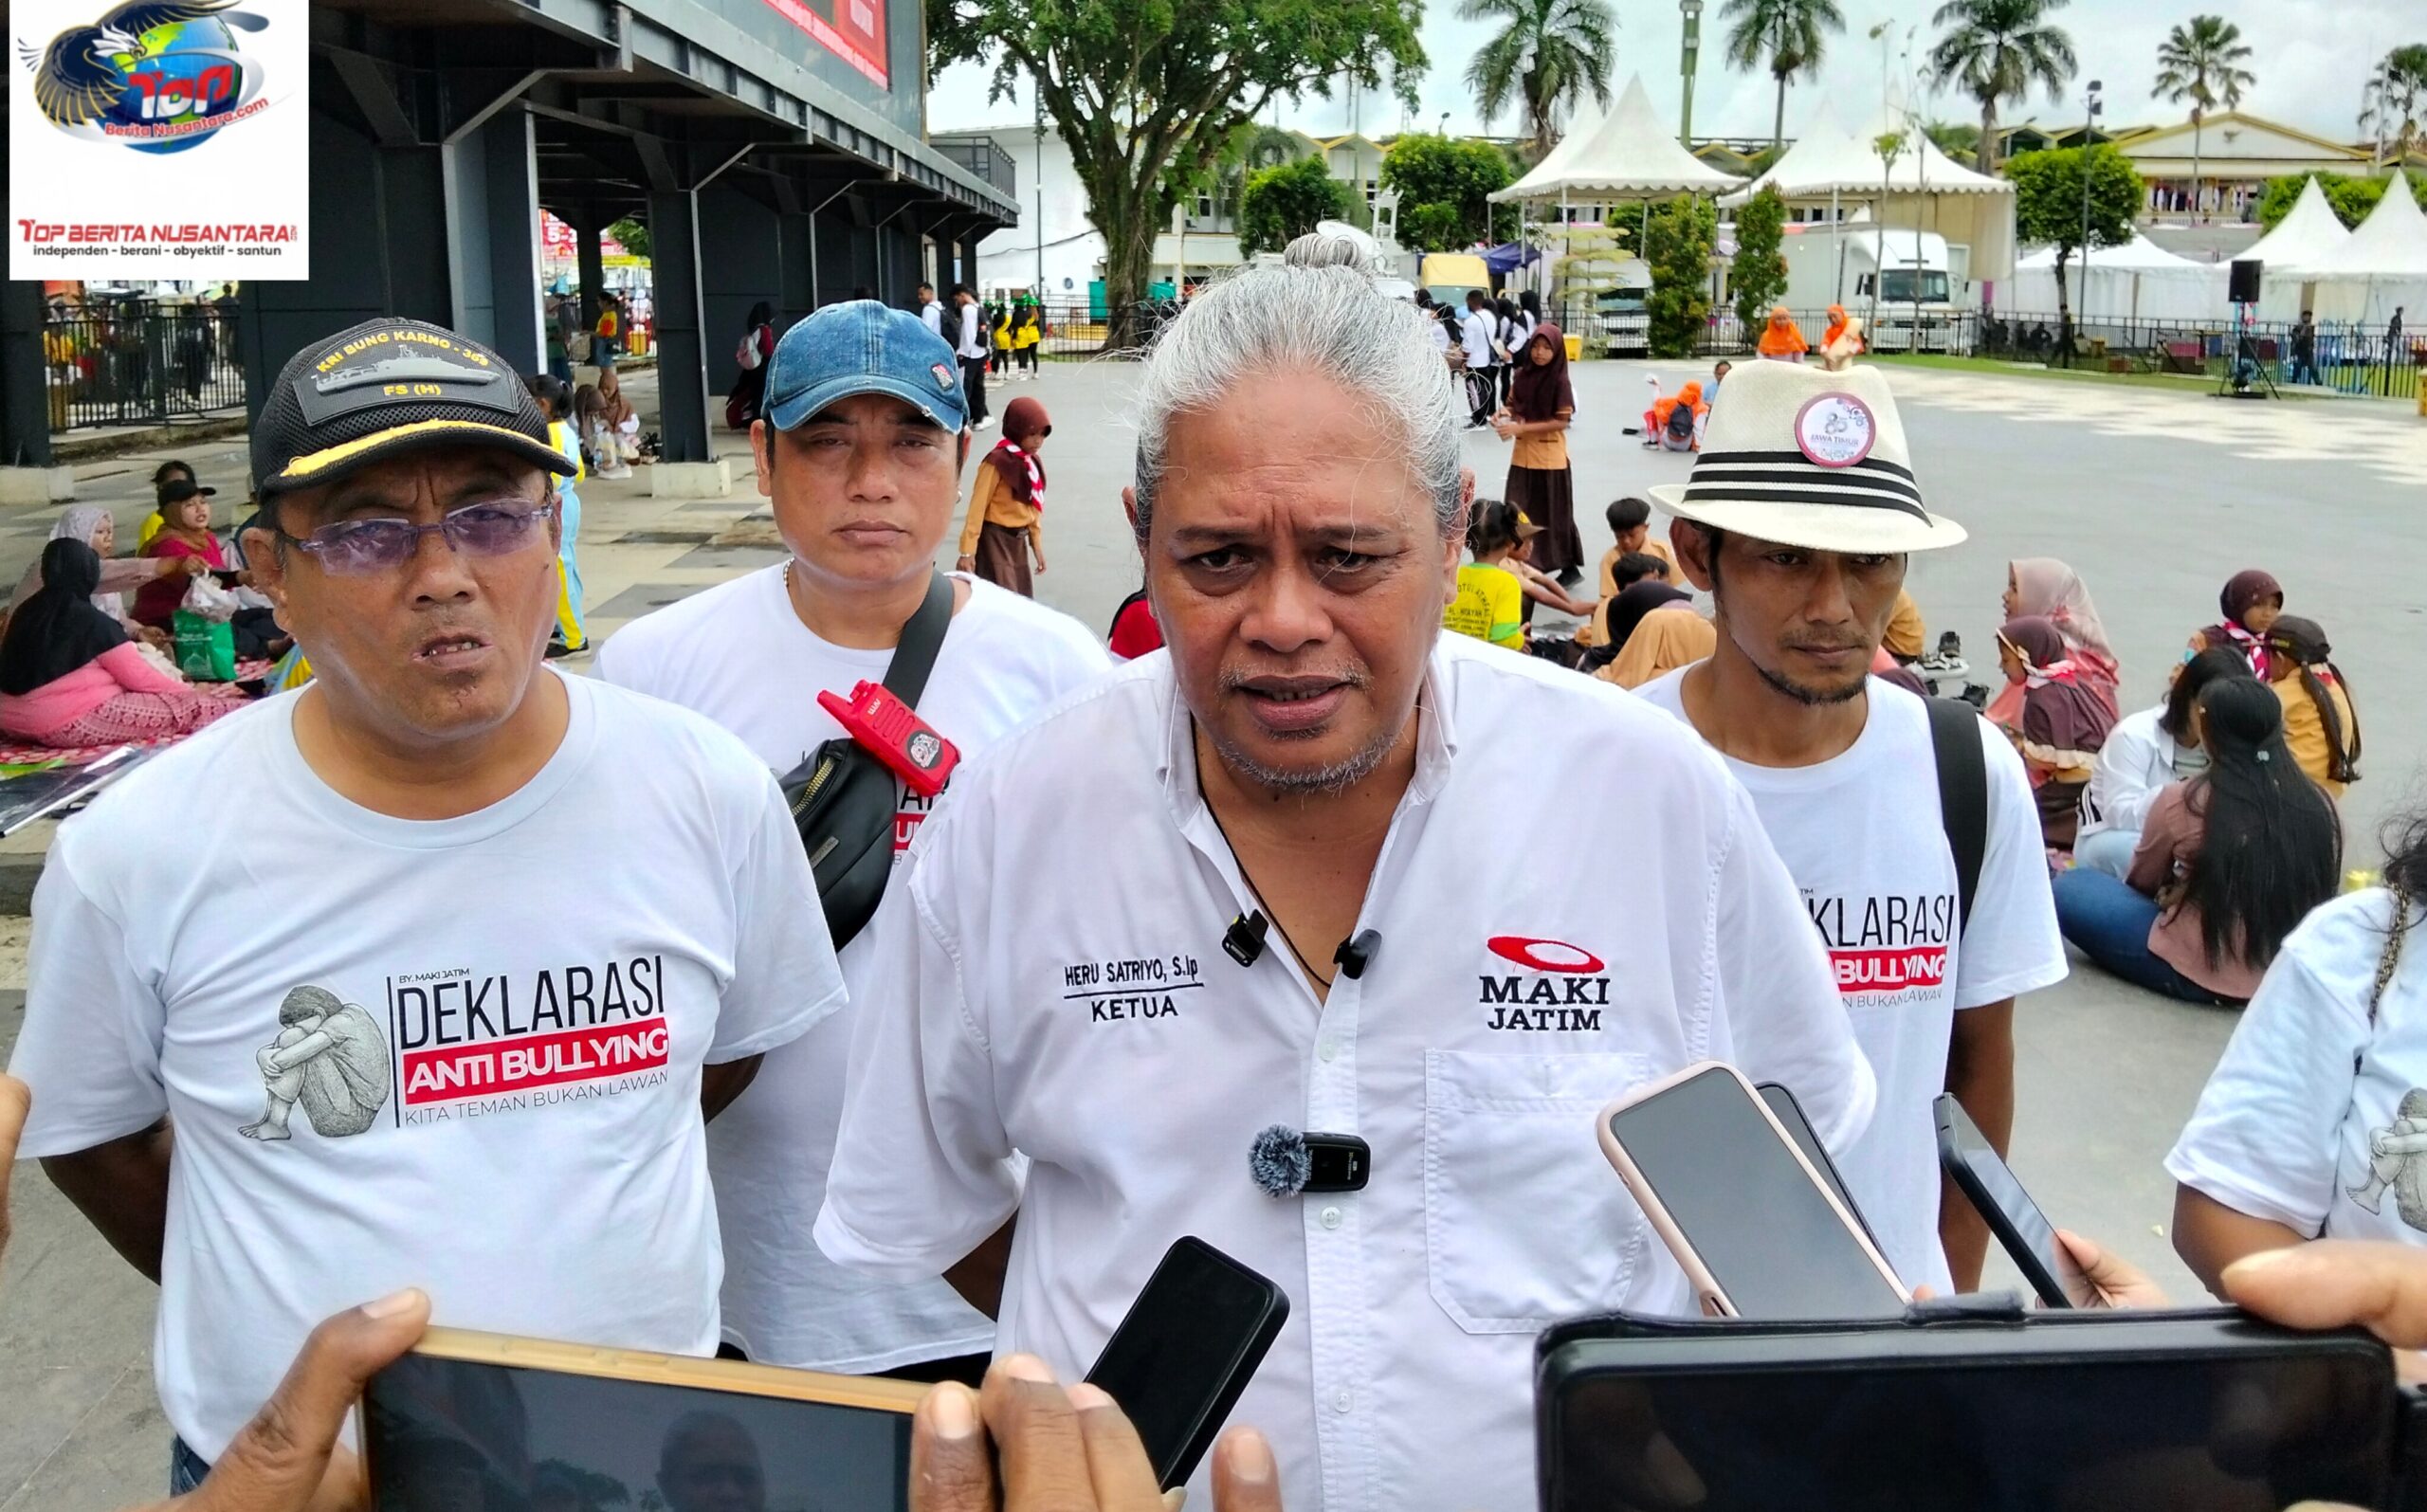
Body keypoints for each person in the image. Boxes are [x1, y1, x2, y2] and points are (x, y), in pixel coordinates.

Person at [815, 264, 1874, 1512]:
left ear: (1452, 530)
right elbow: (931, 1203)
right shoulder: (1014, 820)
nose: (1281, 617)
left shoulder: (1652, 802)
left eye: (1348, 556)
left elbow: (1785, 1215)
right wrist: (1115, 1366)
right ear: (1141, 535)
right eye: (1215, 558)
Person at [6, 317, 847, 1494]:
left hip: (630, 1456)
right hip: (290, 1479)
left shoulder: (706, 792)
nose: (444, 571)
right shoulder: (142, 850)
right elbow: (89, 1139)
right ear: (269, 573)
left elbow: (722, 1055)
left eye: (492, 514)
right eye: (364, 532)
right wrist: (259, 1287)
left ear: (550, 535)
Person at [597, 300, 1107, 1385]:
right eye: (827, 441)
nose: (870, 481)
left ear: (960, 455)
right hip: (746, 1261)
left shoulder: (1061, 672)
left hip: (988, 1256)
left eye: (912, 441)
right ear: (765, 456)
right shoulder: (655, 671)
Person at [1637, 356, 2065, 1296]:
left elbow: (1978, 1055)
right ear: (1699, 555)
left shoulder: (1967, 770)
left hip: (1887, 1318)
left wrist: (1942, 1286)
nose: (1834, 607)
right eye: (1787, 559)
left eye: (1869, 562)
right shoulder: (1617, 768)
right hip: (1662, 1339)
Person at [2167, 801, 2427, 1296]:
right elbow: (2222, 1211)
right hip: (2372, 1372)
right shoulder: (2361, 945)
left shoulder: (2194, 804)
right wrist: (2387, 1355)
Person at [2052, 675, 2339, 1007]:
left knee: (2072, 886)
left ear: (2210, 733)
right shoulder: (2320, 803)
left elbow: (2143, 881)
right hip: (2284, 966)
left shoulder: (2186, 800)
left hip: (2199, 970)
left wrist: (2179, 891)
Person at [0, 540, 240, 746]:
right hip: (64, 721)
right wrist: (191, 693)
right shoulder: (90, 620)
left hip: (11, 720)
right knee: (193, 709)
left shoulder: (25, 612)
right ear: (89, 573)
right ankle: (256, 716)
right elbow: (141, 678)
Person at [2075, 648, 2254, 880]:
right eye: (2211, 709)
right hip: (2115, 838)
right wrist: (2185, 799)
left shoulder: (2229, 741)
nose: (2220, 721)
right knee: (2178, 861)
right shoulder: (2134, 735)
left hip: (2189, 843)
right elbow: (2122, 813)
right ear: (2188, 696)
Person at [1991, 616, 2117, 847]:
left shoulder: (2043, 695)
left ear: (2026, 656)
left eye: (2006, 659)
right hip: (2100, 768)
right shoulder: (2067, 680)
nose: (2001, 666)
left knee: (2027, 815)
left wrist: (2019, 746)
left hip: (2079, 778)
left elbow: (2051, 758)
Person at [133, 480, 285, 661]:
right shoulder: (168, 545)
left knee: (267, 616)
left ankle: (256, 644)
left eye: (203, 502)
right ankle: (264, 647)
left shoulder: (205, 537)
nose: (200, 509)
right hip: (170, 620)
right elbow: (196, 585)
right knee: (226, 629)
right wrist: (238, 577)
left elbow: (212, 583)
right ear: (172, 511)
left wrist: (241, 578)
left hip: (207, 610)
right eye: (189, 505)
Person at [9, 504, 189, 650]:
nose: (108, 539)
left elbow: (117, 619)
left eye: (110, 532)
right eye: (100, 532)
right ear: (78, 535)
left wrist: (138, 631)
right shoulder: (52, 565)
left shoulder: (98, 573)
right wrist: (165, 565)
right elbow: (107, 574)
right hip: (46, 651)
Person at [1491, 322, 1584, 586]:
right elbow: (1512, 404)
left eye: (1547, 348)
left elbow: (1561, 422)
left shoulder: (1560, 380)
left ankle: (1568, 566)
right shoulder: (1521, 375)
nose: (1540, 353)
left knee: (1555, 513)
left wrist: (1520, 427)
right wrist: (1502, 414)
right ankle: (1518, 560)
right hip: (1523, 454)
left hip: (1551, 457)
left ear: (1556, 351)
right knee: (1517, 509)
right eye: (1536, 346)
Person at [1446, 501, 1594, 650]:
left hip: (1450, 656)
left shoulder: (1453, 576)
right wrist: (1519, 640)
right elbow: (1503, 638)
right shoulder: (1507, 583)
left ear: (1467, 541)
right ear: (1511, 542)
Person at [1994, 557, 2121, 719]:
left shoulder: (2050, 662)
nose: (2005, 596)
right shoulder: (2063, 648)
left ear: (2040, 597)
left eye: (2015, 589)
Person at [956, 395, 1051, 596]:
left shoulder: (1031, 463)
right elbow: (977, 508)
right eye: (1032, 434)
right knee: (1003, 598)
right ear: (1017, 429)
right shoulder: (996, 462)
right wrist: (967, 551)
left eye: (1042, 435)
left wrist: (1037, 546)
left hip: (1018, 542)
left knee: (1021, 599)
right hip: (995, 541)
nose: (1038, 441)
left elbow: (1032, 509)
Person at [525, 374, 590, 656]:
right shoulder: (566, 429)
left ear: (542, 404)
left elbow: (550, 472)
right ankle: (566, 627)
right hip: (570, 501)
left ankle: (575, 638)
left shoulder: (549, 433)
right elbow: (580, 470)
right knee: (568, 568)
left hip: (556, 503)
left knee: (559, 570)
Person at [2264, 614, 2360, 798]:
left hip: (2292, 795)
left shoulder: (2285, 692)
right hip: (2330, 796)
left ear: (2281, 658)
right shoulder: (2336, 686)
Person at [2190, 568, 2283, 677]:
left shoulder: (2276, 643)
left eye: (2274, 606)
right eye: (2259, 604)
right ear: (2241, 605)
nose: (2268, 613)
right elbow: (2181, 678)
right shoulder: (2207, 639)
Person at [1598, 496, 1677, 593]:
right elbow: (1608, 597)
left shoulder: (1663, 550)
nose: (1626, 541)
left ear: (1645, 527)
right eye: (1620, 536)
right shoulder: (1610, 559)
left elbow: (1679, 585)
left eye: (1632, 535)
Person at [728, 301, 777, 428]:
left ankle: (750, 420)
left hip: (752, 370)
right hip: (762, 370)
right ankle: (760, 421)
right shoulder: (764, 329)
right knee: (761, 397)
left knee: (753, 396)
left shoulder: (754, 329)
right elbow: (768, 350)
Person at [137, 462, 207, 549]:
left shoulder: (203, 528)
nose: (176, 489)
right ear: (159, 489)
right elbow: (147, 557)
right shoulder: (154, 521)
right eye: (169, 486)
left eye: (181, 484)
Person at [952, 284, 993, 431]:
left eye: (957, 299)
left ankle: (962, 420)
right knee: (978, 386)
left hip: (970, 354)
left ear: (962, 295)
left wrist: (961, 351)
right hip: (981, 351)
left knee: (965, 387)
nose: (957, 302)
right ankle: (979, 419)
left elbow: (968, 334)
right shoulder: (978, 307)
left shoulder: (968, 310)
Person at [1459, 291, 1499, 428]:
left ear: (1470, 301)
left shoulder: (1471, 321)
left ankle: (1478, 420)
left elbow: (1468, 346)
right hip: (1487, 359)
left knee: (1473, 391)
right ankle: (1485, 415)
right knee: (1484, 389)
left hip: (1474, 361)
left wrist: (1463, 361)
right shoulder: (1490, 316)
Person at [1639, 378, 1707, 452]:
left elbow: (1656, 402)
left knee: (1653, 412)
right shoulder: (1701, 407)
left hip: (1667, 441)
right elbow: (1698, 429)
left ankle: (1653, 441)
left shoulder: (1672, 402)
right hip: (1685, 445)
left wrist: (1657, 387)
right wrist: (1698, 446)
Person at [596, 367, 643, 468]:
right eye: (602, 388)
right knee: (606, 441)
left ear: (615, 388)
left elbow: (634, 423)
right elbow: (592, 423)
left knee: (621, 443)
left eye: (608, 389)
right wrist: (603, 427)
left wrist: (620, 427)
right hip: (604, 436)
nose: (605, 392)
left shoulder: (624, 404)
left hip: (622, 434)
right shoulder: (596, 403)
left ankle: (630, 457)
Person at [1817, 303, 1864, 371]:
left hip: (1845, 358)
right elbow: (1825, 342)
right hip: (1832, 358)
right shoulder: (1830, 330)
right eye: (1830, 318)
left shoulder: (1849, 326)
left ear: (1842, 314)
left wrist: (1847, 354)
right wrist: (1824, 353)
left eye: (1835, 316)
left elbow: (1857, 343)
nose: (1832, 319)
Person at [593, 290, 623, 375]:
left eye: (599, 301)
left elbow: (603, 333)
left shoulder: (609, 316)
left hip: (605, 341)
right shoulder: (607, 315)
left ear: (604, 302)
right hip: (604, 340)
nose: (598, 304)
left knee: (605, 367)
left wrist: (589, 333)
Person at [2290, 310, 2319, 385]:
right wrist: (2303, 330)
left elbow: (2311, 339)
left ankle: (2318, 382)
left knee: (2312, 368)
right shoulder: (2298, 328)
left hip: (2308, 351)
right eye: (2306, 316)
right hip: (2299, 350)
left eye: (2309, 316)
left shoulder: (2311, 328)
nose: (2307, 318)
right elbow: (2296, 338)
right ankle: (2294, 381)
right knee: (2297, 367)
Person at [1013, 301, 1043, 378]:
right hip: (1035, 336)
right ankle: (1036, 372)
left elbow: (1024, 324)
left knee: (1025, 354)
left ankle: (1024, 371)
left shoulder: (1027, 314)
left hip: (1027, 336)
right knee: (1034, 354)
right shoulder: (1036, 315)